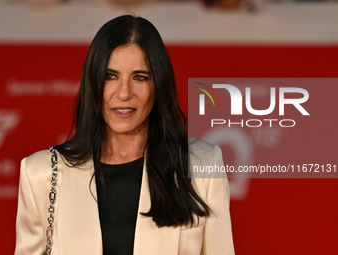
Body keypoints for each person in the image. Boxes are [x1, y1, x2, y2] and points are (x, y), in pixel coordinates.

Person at [14, 15, 235, 255]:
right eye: (110, 76)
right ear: (93, 82)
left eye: (140, 77)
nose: (123, 93)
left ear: (158, 86)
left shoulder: (202, 165)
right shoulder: (41, 173)